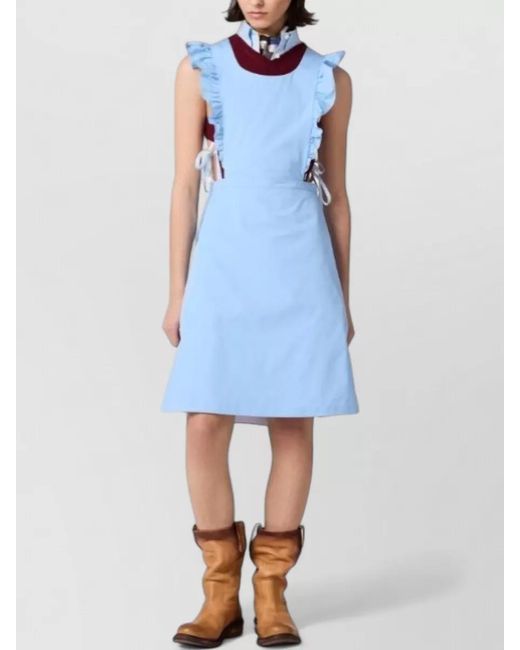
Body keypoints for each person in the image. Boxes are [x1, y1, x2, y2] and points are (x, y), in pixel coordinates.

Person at [161, 1, 359, 646]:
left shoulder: (328, 79)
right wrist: (178, 292)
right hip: (225, 262)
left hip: (300, 266)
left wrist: (342, 298)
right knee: (204, 421)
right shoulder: (202, 69)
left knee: (292, 421)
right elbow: (184, 186)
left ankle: (272, 591)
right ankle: (219, 593)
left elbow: (337, 194)